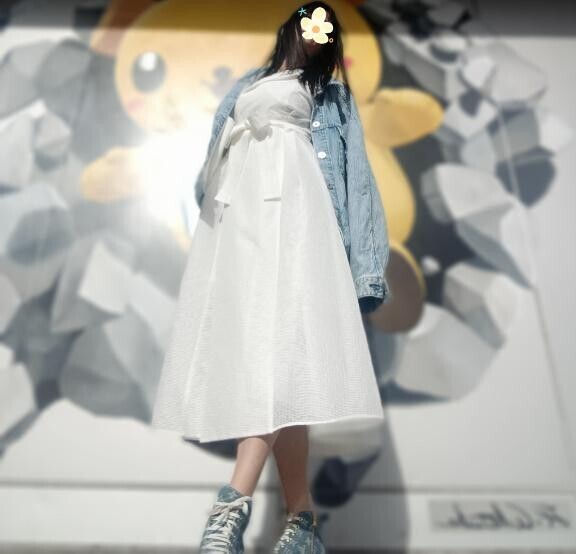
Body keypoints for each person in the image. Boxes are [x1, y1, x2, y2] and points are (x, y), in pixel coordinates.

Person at [151, 2, 391, 552]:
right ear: (291, 27)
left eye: (325, 30)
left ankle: (231, 506)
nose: (315, 34)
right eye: (309, 22)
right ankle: (301, 525)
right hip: (245, 229)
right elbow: (213, 168)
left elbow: (356, 179)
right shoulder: (247, 85)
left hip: (299, 224)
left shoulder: (330, 96)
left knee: (276, 361)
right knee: (283, 373)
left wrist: (365, 269)